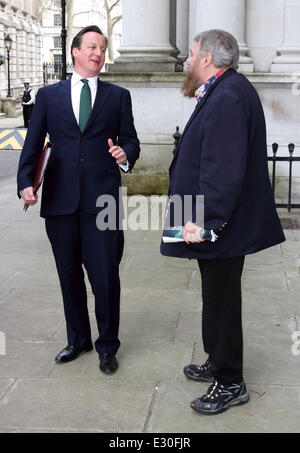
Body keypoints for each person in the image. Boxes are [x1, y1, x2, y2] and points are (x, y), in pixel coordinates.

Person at [161, 29, 285, 415]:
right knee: (215, 297)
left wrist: (206, 222)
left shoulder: (228, 94)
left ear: (208, 59)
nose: (187, 60)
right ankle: (218, 359)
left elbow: (223, 168)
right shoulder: (226, 88)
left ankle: (231, 381)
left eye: (192, 54)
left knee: (224, 300)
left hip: (217, 225)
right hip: (214, 222)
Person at [17, 25, 140, 374]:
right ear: (74, 52)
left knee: (104, 277)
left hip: (103, 203)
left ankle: (107, 346)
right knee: (68, 274)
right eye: (91, 47)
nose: (98, 53)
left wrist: (123, 153)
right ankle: (77, 339)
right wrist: (25, 182)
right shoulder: (49, 96)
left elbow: (132, 142)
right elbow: (34, 142)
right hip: (60, 201)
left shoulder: (117, 97)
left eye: (102, 48)